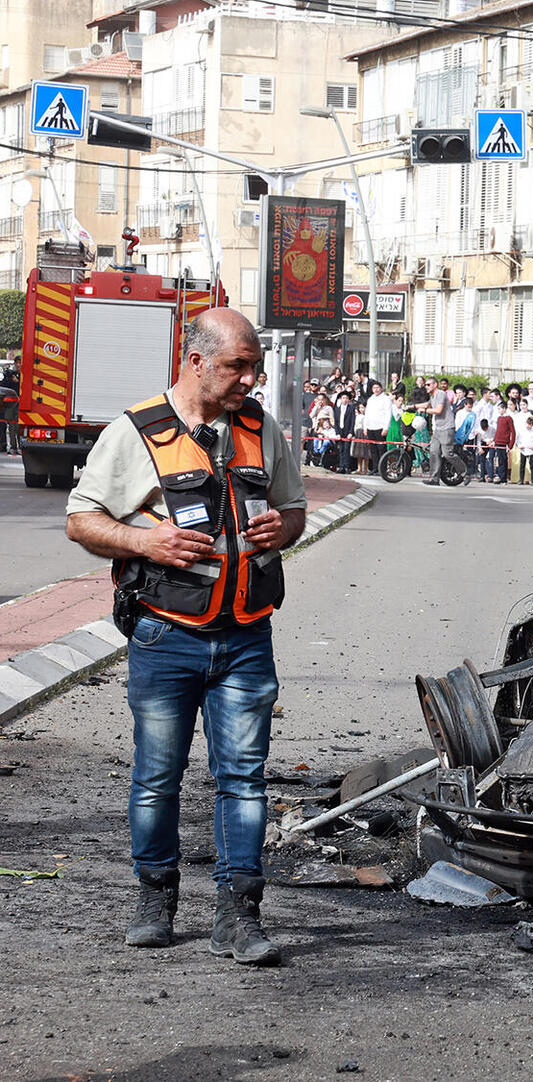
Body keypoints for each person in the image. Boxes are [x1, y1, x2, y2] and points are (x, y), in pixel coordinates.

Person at [64, 308, 305, 966]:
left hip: (248, 635)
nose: (250, 379)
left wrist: (279, 530)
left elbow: (296, 512)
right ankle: (155, 898)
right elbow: (82, 520)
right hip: (165, 635)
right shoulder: (137, 433)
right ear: (195, 361)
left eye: (253, 366)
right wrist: (145, 540)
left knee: (245, 781)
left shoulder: (260, 428)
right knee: (156, 779)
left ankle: (239, 915)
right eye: (237, 366)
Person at [422, 377, 453, 484]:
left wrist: (425, 410)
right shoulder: (433, 397)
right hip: (438, 429)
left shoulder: (441, 394)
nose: (426, 387)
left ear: (435, 385)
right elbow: (426, 404)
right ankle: (434, 479)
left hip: (447, 428)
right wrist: (411, 406)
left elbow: (438, 410)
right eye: (425, 385)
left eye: (428, 384)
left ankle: (464, 471)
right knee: (434, 452)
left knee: (448, 454)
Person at [358, 381, 392, 476]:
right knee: (373, 449)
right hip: (370, 427)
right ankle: (375, 468)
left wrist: (386, 427)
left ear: (381, 388)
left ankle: (383, 469)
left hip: (380, 427)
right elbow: (367, 414)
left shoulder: (386, 399)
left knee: (381, 449)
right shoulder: (370, 399)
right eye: (374, 388)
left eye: (377, 387)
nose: (376, 390)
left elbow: (388, 414)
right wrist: (365, 427)